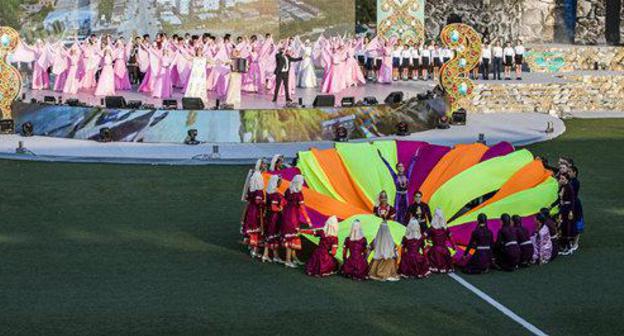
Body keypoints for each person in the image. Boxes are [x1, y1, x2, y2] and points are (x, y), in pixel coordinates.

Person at [281, 175, 310, 268]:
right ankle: (288, 260)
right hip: (293, 218)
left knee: (291, 238)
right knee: (291, 238)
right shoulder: (299, 194)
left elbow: (283, 203)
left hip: (286, 216)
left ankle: (294, 258)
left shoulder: (288, 191)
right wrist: (308, 220)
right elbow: (302, 207)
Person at [241, 171, 265, 258]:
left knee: (251, 230)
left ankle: (251, 247)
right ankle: (255, 250)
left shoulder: (250, 189)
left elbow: (248, 200)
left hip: (250, 210)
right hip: (256, 211)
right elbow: (258, 202)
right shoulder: (259, 191)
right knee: (256, 231)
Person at [262, 175, 286, 263]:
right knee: (272, 235)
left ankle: (270, 255)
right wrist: (281, 208)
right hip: (274, 217)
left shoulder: (269, 192)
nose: (280, 183)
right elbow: (273, 207)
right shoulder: (275, 195)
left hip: (269, 216)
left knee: (270, 236)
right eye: (279, 181)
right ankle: (269, 255)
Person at [426, 208, 454, 273]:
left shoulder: (431, 228)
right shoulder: (445, 228)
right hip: (444, 250)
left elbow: (423, 237)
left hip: (435, 251)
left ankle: (435, 267)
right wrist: (454, 247)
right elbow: (451, 239)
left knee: (429, 253)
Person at [558, 174, 576, 255]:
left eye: (562, 178)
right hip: (563, 208)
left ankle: (568, 247)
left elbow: (572, 200)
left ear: (567, 180)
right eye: (560, 178)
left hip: (567, 209)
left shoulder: (569, 188)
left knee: (565, 227)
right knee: (563, 227)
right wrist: (551, 206)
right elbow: (559, 199)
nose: (560, 180)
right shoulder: (562, 187)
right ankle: (565, 246)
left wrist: (571, 211)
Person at [569, 165, 584, 252]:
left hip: (575, 204)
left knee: (576, 222)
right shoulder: (571, 180)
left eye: (570, 172)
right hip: (572, 203)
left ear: (574, 172)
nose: (568, 173)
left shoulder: (575, 182)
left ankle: (575, 243)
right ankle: (572, 241)